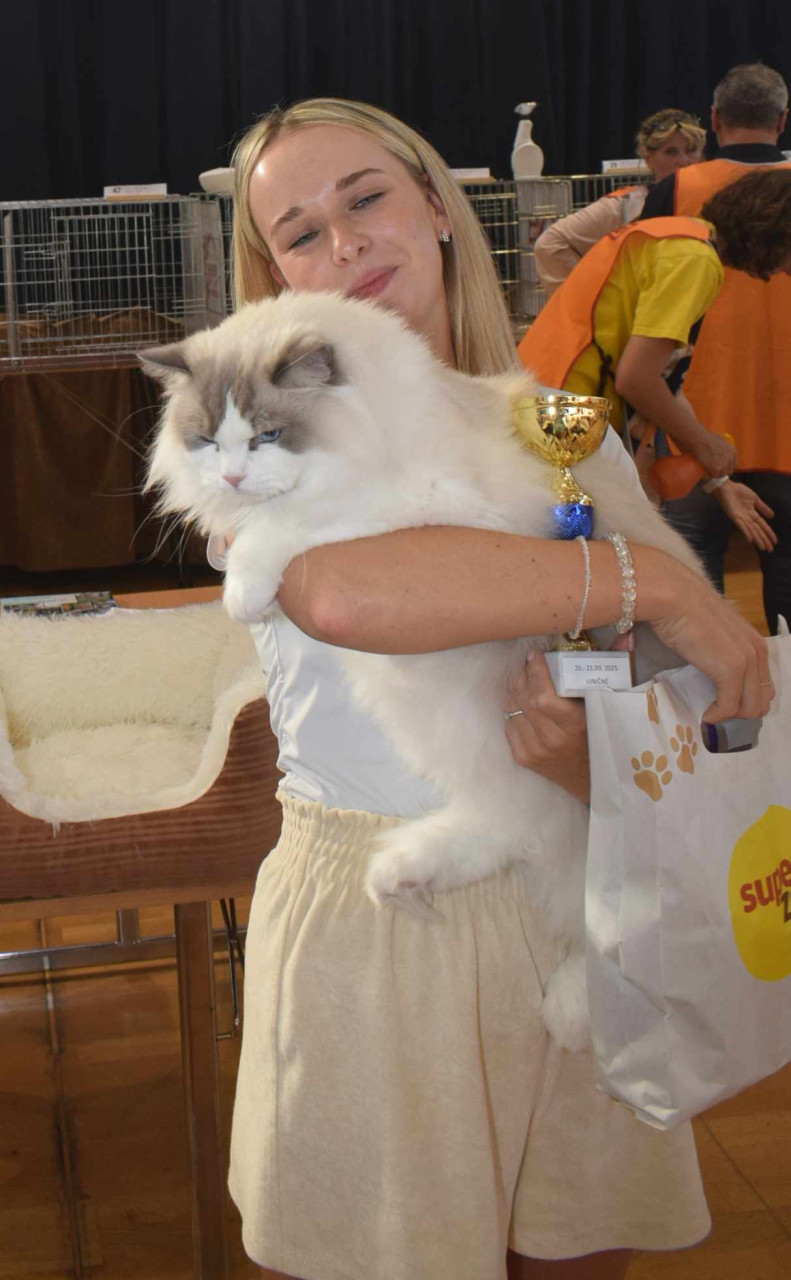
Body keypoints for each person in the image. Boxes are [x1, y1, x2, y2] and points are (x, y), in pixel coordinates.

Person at [226, 97, 773, 1280]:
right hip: (380, 923)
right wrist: (655, 584)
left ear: (434, 206)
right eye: (301, 232)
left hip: (577, 893)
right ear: (274, 276)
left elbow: (656, 681)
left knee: (578, 1246)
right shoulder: (257, 435)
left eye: (365, 199)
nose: (345, 243)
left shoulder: (562, 429)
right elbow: (344, 594)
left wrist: (593, 759)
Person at [519, 167, 791, 559]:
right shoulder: (695, 261)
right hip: (564, 424)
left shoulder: (672, 236)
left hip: (543, 405)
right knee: (583, 560)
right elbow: (637, 379)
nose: (784, 270)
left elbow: (660, 381)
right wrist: (705, 444)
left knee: (579, 558)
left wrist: (719, 481)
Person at [640, 63, 791, 633]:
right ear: (782, 120)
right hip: (785, 426)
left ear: (715, 120)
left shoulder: (676, 189)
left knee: (697, 590)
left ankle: (711, 692)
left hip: (691, 422)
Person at [535, 108, 706, 297]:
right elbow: (550, 244)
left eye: (691, 150)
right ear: (648, 158)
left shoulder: (716, 199)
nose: (684, 161)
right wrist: (588, 302)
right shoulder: (627, 205)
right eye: (671, 152)